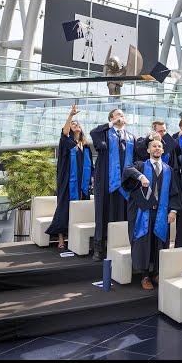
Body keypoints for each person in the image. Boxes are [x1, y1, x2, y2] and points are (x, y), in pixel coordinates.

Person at [122, 139, 182, 290]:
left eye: (159, 146)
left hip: (161, 213)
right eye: (154, 146)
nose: (157, 148)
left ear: (163, 151)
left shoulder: (168, 169)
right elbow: (127, 169)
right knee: (144, 242)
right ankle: (144, 276)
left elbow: (175, 193)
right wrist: (140, 176)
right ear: (148, 150)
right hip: (143, 212)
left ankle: (156, 273)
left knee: (159, 242)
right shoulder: (141, 165)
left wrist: (173, 211)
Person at [90, 108, 136, 261]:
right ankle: (99, 248)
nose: (121, 117)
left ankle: (122, 245)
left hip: (125, 184)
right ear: (111, 118)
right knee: (103, 213)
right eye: (117, 115)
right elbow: (93, 134)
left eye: (122, 114)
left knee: (124, 214)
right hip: (106, 181)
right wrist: (111, 124)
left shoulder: (131, 137)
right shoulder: (103, 133)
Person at [45, 105, 94, 249]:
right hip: (67, 182)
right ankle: (61, 238)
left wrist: (92, 178)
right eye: (73, 124)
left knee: (80, 211)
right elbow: (64, 132)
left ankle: (76, 237)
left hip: (82, 186)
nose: (75, 125)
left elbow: (90, 167)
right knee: (64, 208)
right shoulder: (67, 142)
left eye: (77, 124)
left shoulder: (85, 147)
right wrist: (70, 116)